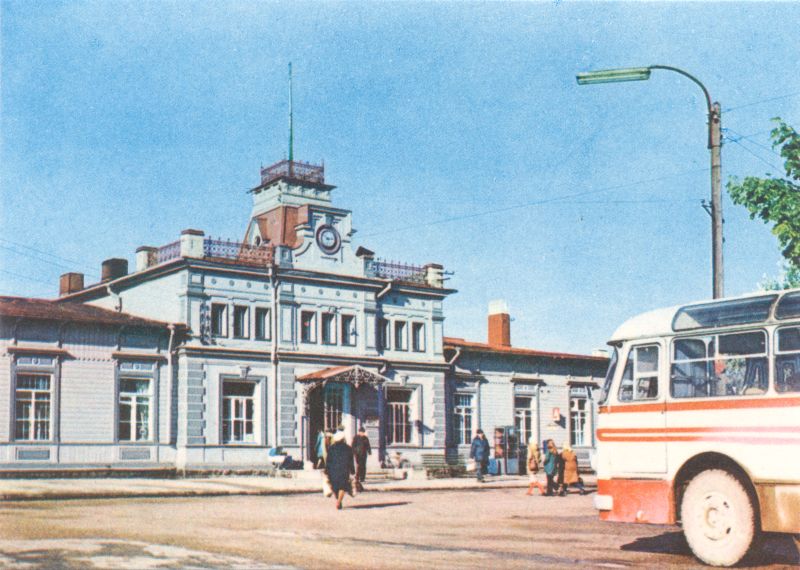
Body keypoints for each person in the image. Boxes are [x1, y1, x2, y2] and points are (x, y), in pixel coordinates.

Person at [325, 431, 355, 510]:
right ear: (343, 439)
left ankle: (338, 500)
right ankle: (339, 501)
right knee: (342, 486)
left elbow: (328, 460)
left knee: (335, 487)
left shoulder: (331, 448)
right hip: (343, 470)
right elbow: (350, 460)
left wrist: (326, 470)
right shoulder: (348, 448)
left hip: (333, 470)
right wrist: (352, 470)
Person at [351, 426, 371, 492]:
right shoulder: (356, 437)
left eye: (363, 432)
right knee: (358, 465)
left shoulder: (365, 438)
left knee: (363, 466)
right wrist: (353, 452)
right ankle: (357, 477)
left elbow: (368, 445)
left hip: (364, 454)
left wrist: (369, 451)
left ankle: (362, 478)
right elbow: (353, 445)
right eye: (361, 432)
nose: (362, 433)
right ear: (359, 432)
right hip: (358, 454)